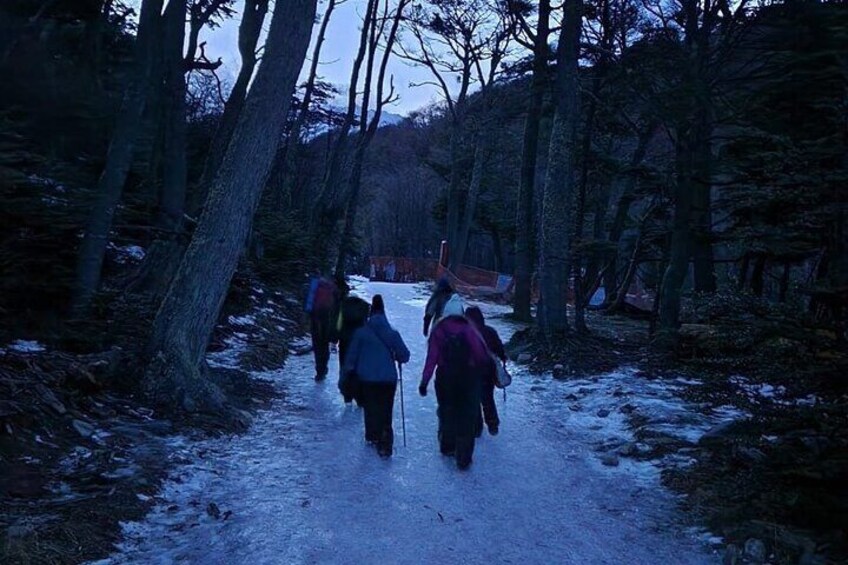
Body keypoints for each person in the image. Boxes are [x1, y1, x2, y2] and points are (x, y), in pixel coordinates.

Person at [418, 295, 490, 470]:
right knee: (466, 414)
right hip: (467, 378)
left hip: (445, 377)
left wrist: (424, 381)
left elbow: (431, 358)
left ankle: (447, 446)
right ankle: (464, 456)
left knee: (447, 410)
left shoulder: (438, 330)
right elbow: (481, 355)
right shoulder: (469, 329)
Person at [343, 295, 410, 457]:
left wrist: (346, 375)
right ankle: (385, 438)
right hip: (388, 379)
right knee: (386, 408)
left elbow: (351, 357)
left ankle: (372, 435)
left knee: (371, 407)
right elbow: (405, 355)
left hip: (367, 378)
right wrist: (396, 356)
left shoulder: (361, 333)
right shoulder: (392, 334)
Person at [465, 306, 506, 436]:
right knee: (488, 398)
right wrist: (503, 358)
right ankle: (493, 424)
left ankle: (477, 428)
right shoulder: (490, 331)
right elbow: (499, 349)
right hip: (488, 371)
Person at [333, 293, 371, 404]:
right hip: (359, 342)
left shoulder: (343, 306)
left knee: (344, 367)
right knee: (358, 369)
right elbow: (366, 324)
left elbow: (338, 323)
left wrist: (335, 338)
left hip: (344, 342)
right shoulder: (363, 306)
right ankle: (360, 397)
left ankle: (347, 395)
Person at [305, 275, 343, 381]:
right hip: (328, 320)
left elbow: (308, 303)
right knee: (324, 345)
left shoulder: (314, 284)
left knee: (317, 345)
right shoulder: (333, 288)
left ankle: (319, 371)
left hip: (315, 319)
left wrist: (307, 317)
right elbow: (338, 308)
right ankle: (323, 368)